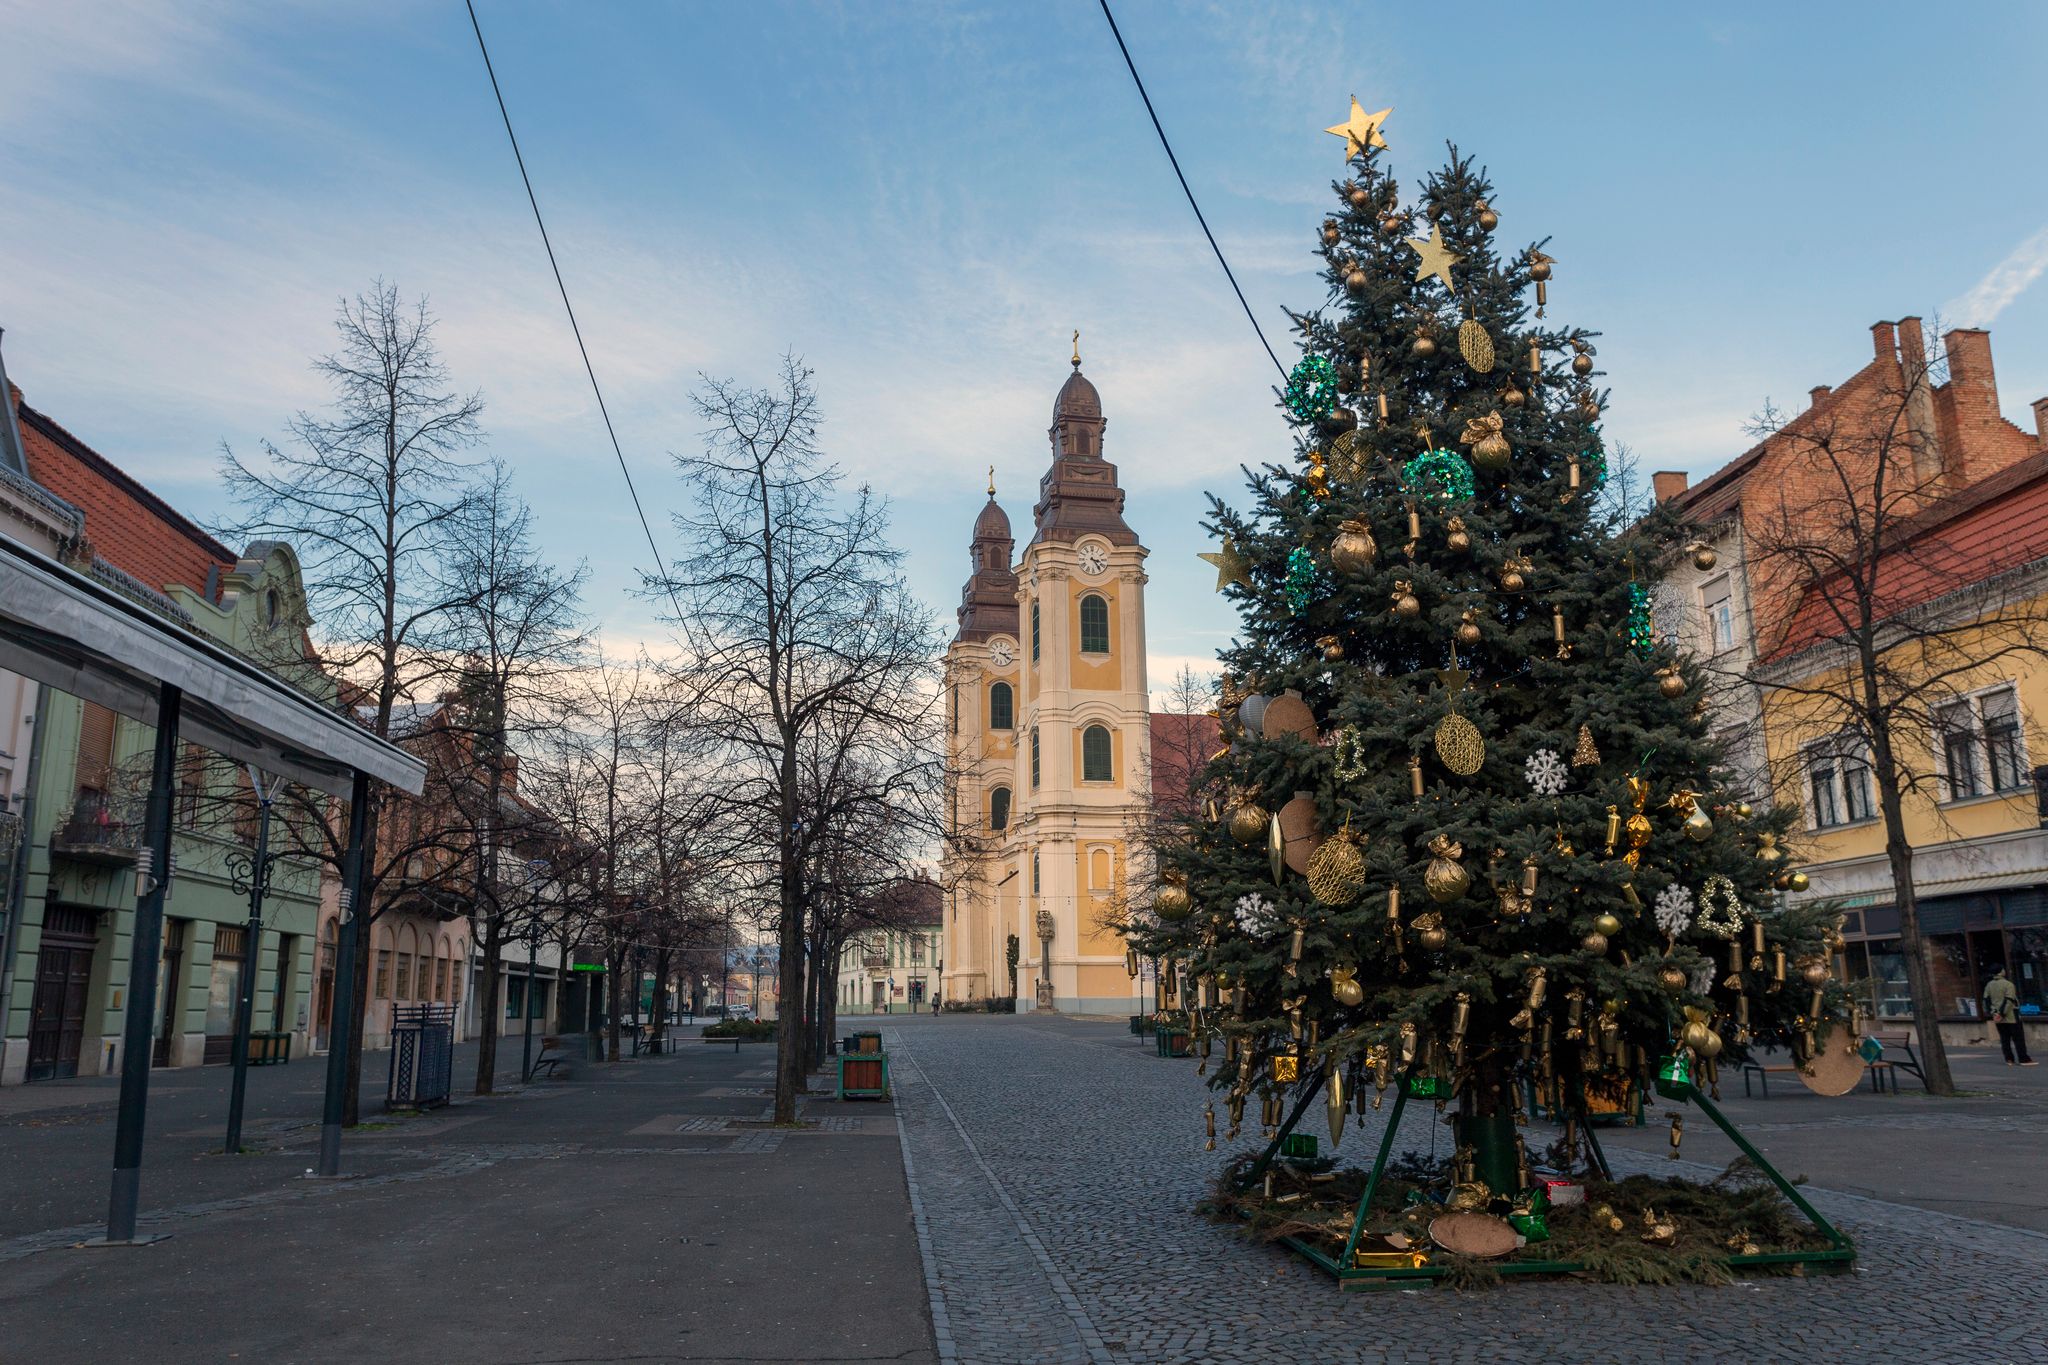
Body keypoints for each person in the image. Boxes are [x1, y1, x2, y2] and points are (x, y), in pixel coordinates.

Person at [1984, 967, 2035, 1066]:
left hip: (1997, 1016)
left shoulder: (1989, 985)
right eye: (2003, 969)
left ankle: (2009, 1059)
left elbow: (1987, 1000)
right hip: (2011, 1015)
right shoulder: (2008, 984)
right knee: (2018, 1038)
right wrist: (2002, 1013)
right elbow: (2009, 1000)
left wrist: (1995, 1013)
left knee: (2004, 1038)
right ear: (2001, 971)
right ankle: (2023, 1058)